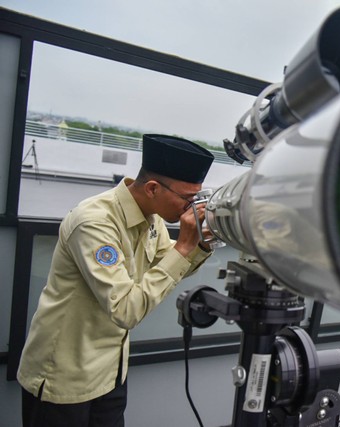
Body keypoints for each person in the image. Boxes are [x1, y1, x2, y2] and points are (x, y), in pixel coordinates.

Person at [18, 134, 216, 427]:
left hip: (111, 372)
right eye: (188, 199)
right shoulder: (95, 222)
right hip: (65, 377)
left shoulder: (153, 218)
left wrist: (201, 243)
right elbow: (125, 310)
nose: (191, 209)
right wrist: (184, 247)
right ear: (152, 188)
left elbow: (173, 265)